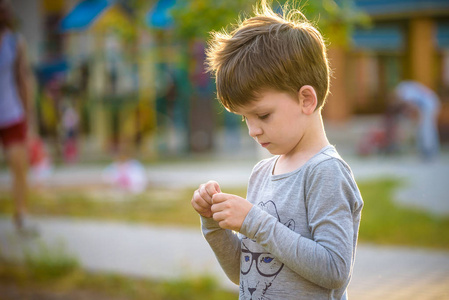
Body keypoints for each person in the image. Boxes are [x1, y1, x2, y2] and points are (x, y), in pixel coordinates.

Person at [191, 2, 364, 299]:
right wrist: (214, 224)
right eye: (245, 118)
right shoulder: (262, 173)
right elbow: (243, 273)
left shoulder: (325, 172)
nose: (252, 130)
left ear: (306, 100)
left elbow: (335, 271)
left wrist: (254, 222)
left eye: (263, 115)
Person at [0, 0, 36, 233]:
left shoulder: (15, 42)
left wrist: (29, 115)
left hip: (11, 112)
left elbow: (23, 78)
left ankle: (21, 214)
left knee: (19, 165)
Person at [393, 80, 441, 160]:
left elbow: (411, 105)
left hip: (428, 106)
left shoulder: (403, 91)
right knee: (428, 129)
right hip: (431, 103)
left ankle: (428, 152)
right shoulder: (404, 87)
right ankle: (431, 151)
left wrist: (411, 116)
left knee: (426, 129)